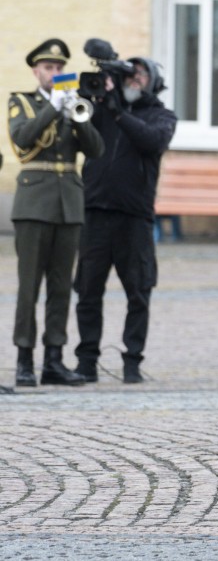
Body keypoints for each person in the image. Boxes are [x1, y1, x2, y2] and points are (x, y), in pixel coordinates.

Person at [73, 56, 177, 384]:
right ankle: (86, 360)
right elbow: (77, 123)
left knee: (139, 290)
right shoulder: (103, 108)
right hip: (95, 212)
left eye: (141, 75)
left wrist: (118, 111)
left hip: (134, 218)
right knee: (88, 290)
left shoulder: (161, 115)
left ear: (154, 81)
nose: (134, 80)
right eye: (129, 75)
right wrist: (98, 85)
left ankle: (132, 361)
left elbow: (151, 140)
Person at [8, 38, 104, 387]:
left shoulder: (72, 104)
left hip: (68, 205)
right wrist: (53, 107)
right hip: (33, 204)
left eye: (60, 68)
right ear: (37, 71)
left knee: (62, 287)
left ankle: (53, 360)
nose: (55, 73)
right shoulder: (22, 101)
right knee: (30, 286)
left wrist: (76, 116)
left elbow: (95, 149)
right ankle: (23, 360)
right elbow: (23, 138)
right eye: (49, 68)